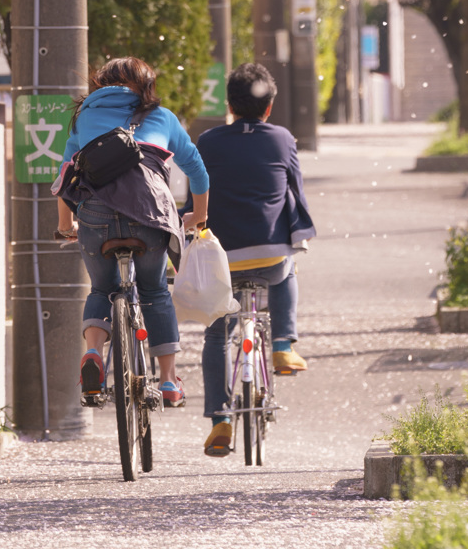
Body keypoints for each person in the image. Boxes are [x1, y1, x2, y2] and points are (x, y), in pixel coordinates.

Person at [52, 57, 208, 407]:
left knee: (102, 288)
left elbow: (66, 173)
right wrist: (199, 214)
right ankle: (168, 381)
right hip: (150, 213)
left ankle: (93, 352)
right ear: (147, 87)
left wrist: (66, 225)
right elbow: (197, 170)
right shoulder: (163, 118)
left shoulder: (84, 117)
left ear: (100, 86)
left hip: (95, 214)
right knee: (154, 292)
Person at [184, 62, 316, 456]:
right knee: (287, 269)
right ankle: (281, 344)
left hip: (222, 261)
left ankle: (220, 419)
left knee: (215, 333)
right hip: (269, 255)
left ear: (229, 105)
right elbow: (295, 188)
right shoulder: (282, 139)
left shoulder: (206, 142)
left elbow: (193, 198)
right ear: (269, 107)